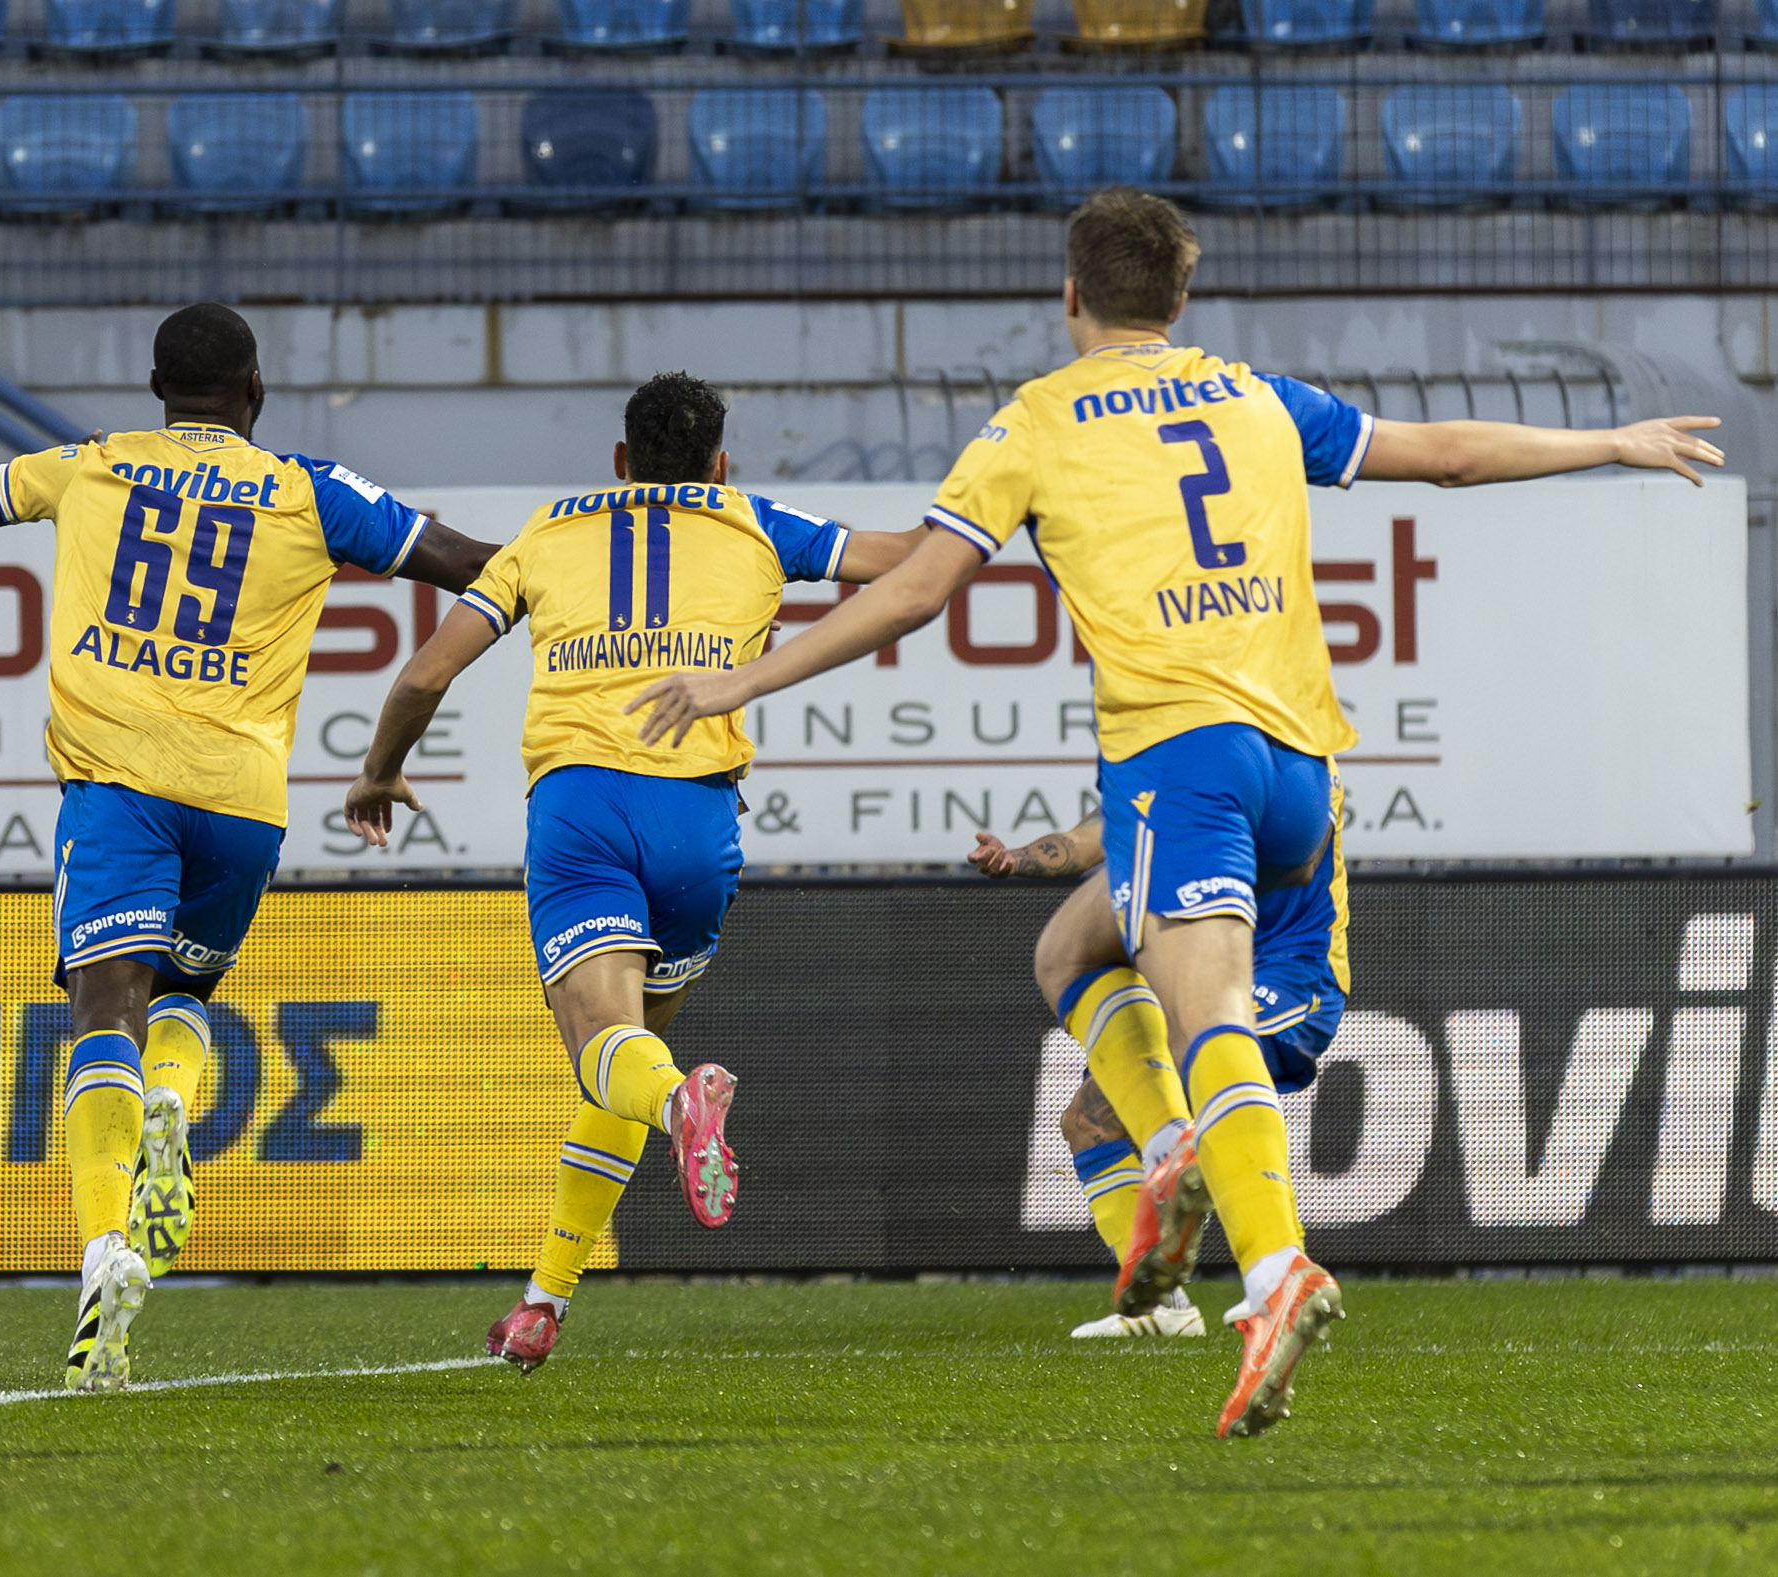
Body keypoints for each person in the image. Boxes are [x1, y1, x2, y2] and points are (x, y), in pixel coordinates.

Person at [624, 187, 1723, 1437]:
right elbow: (1448, 454)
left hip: (1181, 756)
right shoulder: (1254, 395)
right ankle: (1173, 1158)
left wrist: (743, 678)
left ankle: (1273, 1267)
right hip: (1298, 769)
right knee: (1069, 948)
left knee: (1210, 1024)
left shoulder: (1035, 420)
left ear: (1069, 295)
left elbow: (917, 592)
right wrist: (1610, 440)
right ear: (1182, 298)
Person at [0, 302, 498, 1393]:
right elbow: (464, 561)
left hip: (119, 786)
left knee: (103, 1008)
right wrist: (575, 580)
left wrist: (43, 479)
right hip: (241, 799)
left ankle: (103, 1248)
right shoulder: (311, 491)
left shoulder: (95, 466)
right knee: (182, 998)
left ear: (154, 387)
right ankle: (171, 1100)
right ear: (255, 390)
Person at [342, 372, 927, 1375]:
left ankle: (679, 1108)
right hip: (699, 819)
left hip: (583, 809)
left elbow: (427, 671)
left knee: (608, 1053)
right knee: (634, 1052)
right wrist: (1009, 516)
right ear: (719, 464)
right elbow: (910, 559)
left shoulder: (545, 531)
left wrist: (380, 769)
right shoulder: (756, 520)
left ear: (619, 460)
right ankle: (544, 1297)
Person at [970, 806, 1347, 1340]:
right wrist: (1015, 859)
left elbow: (1298, 857)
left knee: (1201, 1071)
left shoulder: (1279, 762)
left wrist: (1177, 861)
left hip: (1286, 973)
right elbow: (1090, 837)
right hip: (1202, 968)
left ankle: (1280, 1274)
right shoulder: (1156, 768)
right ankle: (1163, 1304)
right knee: (1089, 1121)